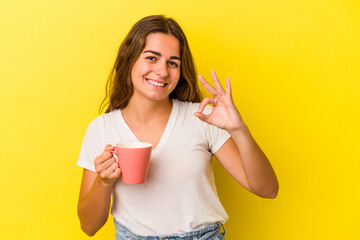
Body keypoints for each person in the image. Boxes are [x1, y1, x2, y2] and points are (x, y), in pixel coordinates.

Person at [77, 15, 279, 240]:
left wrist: (239, 130)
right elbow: (88, 226)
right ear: (129, 59)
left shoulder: (202, 118)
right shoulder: (101, 129)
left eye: (172, 63)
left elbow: (268, 190)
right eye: (152, 58)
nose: (162, 71)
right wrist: (103, 182)